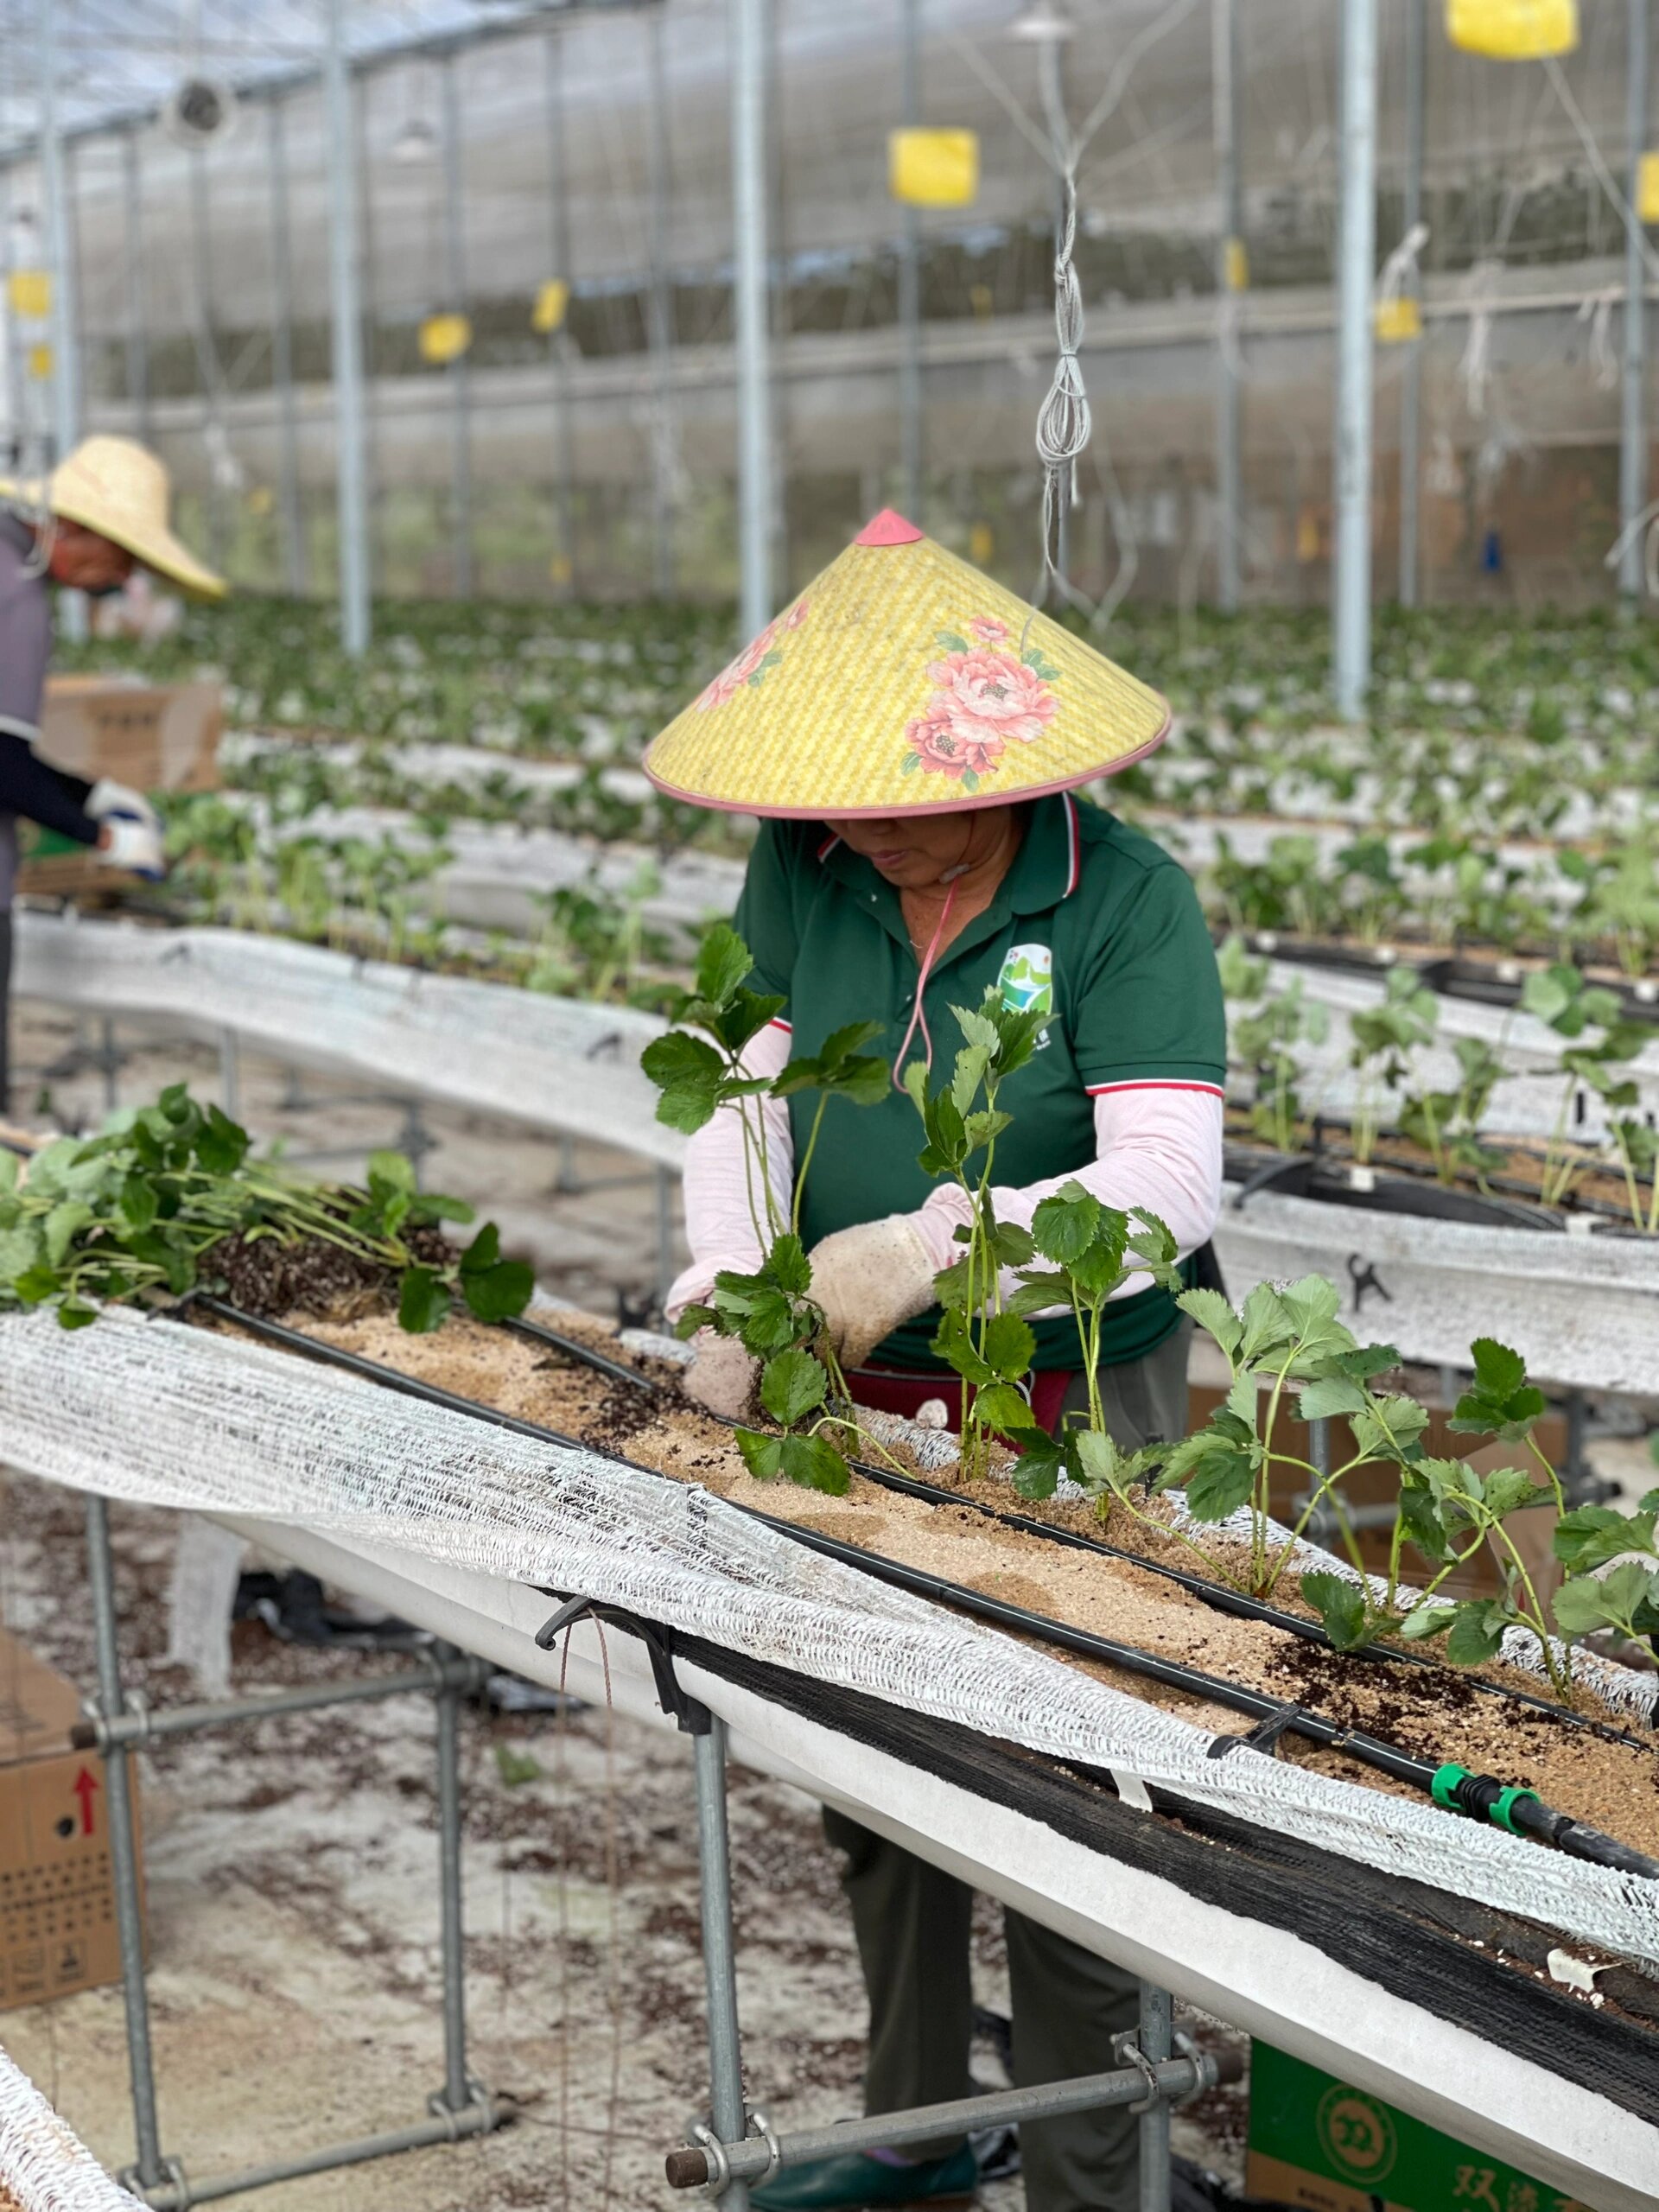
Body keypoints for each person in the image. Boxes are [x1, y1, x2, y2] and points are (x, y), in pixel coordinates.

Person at [644, 511, 1225, 2212]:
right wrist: (740, 1269)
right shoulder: (810, 858)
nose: (873, 842)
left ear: (1017, 771)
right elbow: (750, 1079)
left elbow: (1171, 1188)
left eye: (910, 812)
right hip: (854, 1386)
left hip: (1067, 1399)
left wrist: (933, 1243)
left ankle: (1083, 2169)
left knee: (1060, 1787)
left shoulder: (1123, 900)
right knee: (872, 1754)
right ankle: (911, 2134)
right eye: (845, 807)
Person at [0, 435, 225, 1115]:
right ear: (80, 532)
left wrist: (90, 791)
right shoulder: (17, 596)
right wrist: (102, 838)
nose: (121, 581)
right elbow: (1, 764)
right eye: (124, 559)